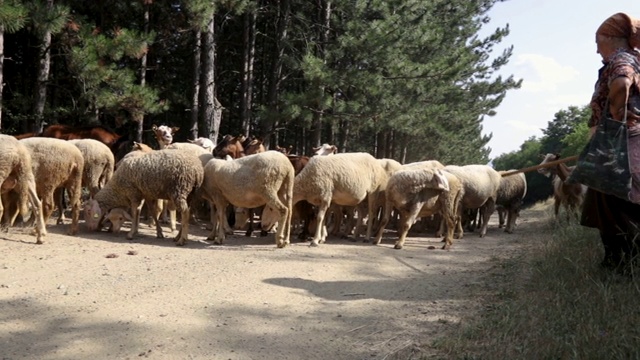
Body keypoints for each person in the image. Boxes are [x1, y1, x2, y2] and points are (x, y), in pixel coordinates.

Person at [581, 12, 640, 272]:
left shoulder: (622, 59)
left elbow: (621, 82)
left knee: (616, 206)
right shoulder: (633, 59)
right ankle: (617, 263)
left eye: (598, 42)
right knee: (610, 205)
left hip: (621, 145)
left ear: (610, 39)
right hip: (623, 144)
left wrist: (614, 120)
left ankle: (623, 267)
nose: (596, 50)